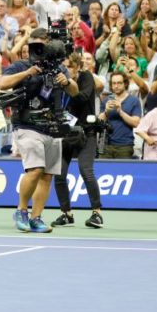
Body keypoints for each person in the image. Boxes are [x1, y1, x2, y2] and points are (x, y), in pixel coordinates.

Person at [0, 28, 72, 233]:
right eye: (33, 45)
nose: (37, 50)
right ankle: (21, 211)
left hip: (52, 125)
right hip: (27, 125)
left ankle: (36, 217)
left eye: (41, 45)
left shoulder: (59, 68)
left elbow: (74, 91)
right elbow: (2, 83)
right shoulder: (21, 65)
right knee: (35, 170)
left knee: (47, 175)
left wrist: (68, 82)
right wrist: (28, 73)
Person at [52, 53, 104, 229]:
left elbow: (82, 97)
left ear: (76, 67)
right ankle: (66, 214)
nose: (64, 71)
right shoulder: (58, 81)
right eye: (63, 67)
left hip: (86, 132)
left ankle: (97, 213)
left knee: (86, 170)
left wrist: (67, 84)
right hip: (66, 133)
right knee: (59, 175)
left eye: (68, 67)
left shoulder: (86, 77)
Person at [99, 72, 142, 158]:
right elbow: (99, 122)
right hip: (106, 144)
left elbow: (136, 123)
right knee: (103, 171)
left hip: (125, 145)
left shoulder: (134, 101)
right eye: (114, 83)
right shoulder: (106, 100)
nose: (116, 86)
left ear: (125, 83)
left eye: (119, 83)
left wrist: (120, 112)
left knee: (123, 171)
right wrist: (106, 112)